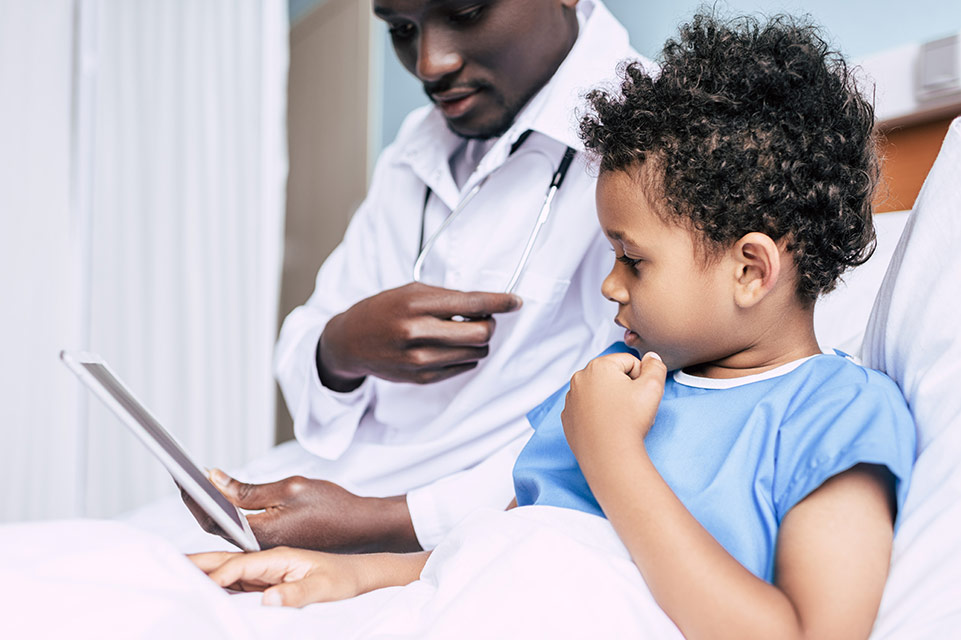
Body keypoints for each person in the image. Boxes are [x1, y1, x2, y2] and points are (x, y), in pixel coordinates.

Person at [191, 13, 916, 638]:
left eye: (632, 261)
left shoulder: (833, 415)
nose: (610, 287)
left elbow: (805, 632)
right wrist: (345, 578)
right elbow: (496, 547)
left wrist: (612, 456)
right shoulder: (617, 384)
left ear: (750, 271)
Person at [188, 0, 647, 554]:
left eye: (466, 11)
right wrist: (342, 346)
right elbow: (304, 342)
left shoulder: (662, 140)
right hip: (341, 488)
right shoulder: (417, 145)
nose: (430, 64)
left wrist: (381, 521)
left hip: (476, 529)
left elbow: (629, 425)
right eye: (401, 29)